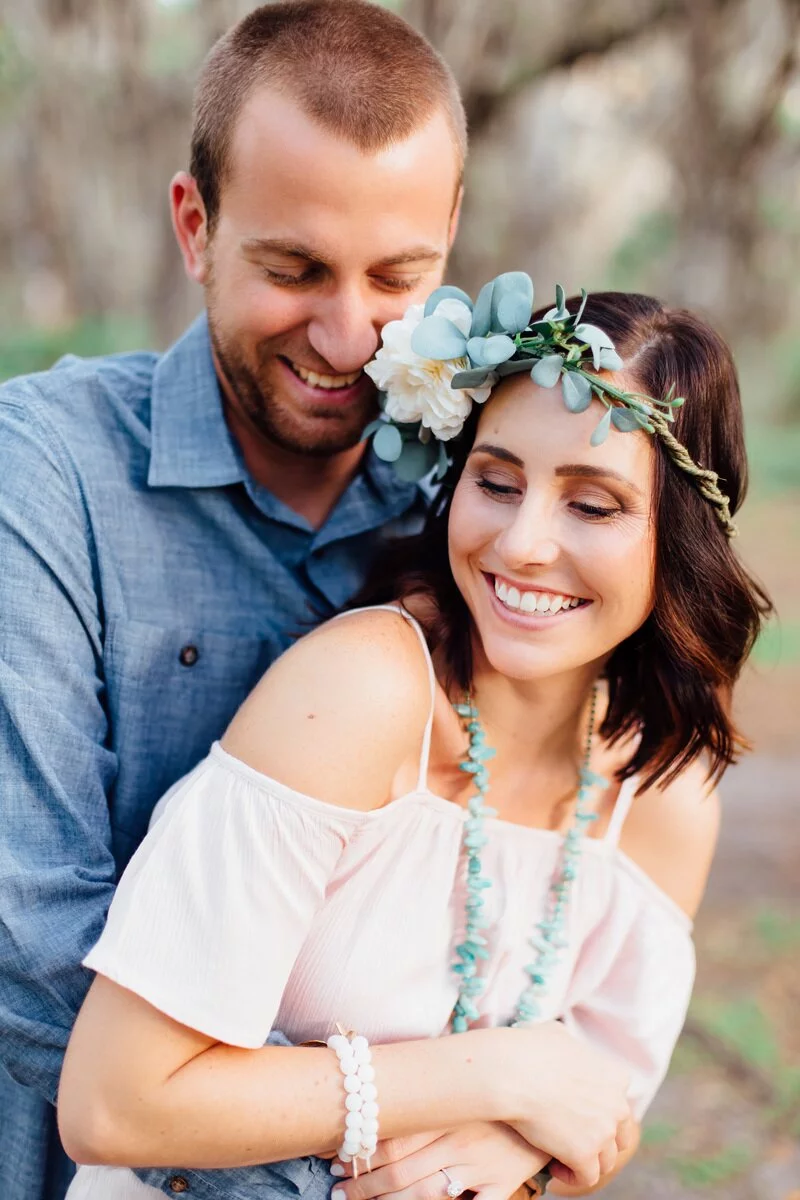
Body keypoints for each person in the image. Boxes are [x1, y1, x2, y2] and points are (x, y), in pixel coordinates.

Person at [55, 280, 771, 1200]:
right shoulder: (366, 690)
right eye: (498, 482)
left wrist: (523, 1145)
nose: (521, 545)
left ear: (681, 536)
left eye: (592, 505)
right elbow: (115, 1104)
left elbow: (603, 1116)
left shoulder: (662, 798)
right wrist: (500, 1076)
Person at [0, 4, 468, 1199]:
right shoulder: (41, 475)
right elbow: (33, 951)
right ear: (195, 227)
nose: (346, 333)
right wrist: (346, 1166)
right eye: (293, 268)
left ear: (449, 242)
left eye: (395, 278)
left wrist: (515, 1130)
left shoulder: (477, 512)